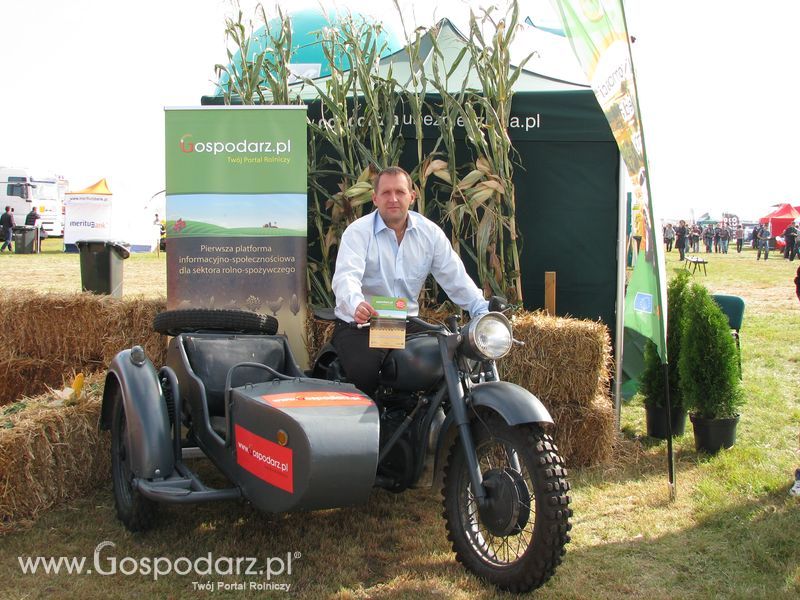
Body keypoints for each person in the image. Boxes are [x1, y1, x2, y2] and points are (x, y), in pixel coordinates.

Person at [331, 166, 489, 396]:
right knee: (364, 375)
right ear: (374, 198)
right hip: (362, 324)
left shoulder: (430, 233)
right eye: (385, 193)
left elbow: (456, 278)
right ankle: (374, 429)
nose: (393, 199)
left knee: (451, 359)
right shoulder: (357, 232)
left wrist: (482, 310)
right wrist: (356, 305)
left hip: (404, 323)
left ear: (412, 197)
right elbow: (346, 277)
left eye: (400, 192)